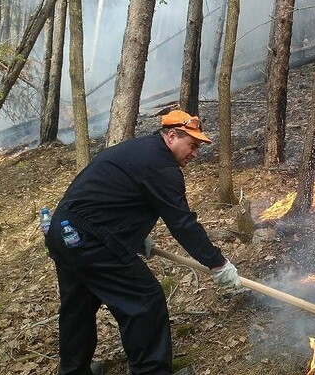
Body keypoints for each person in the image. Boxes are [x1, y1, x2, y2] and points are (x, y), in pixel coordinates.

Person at [44, 109, 241, 375]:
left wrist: (133, 237)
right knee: (145, 302)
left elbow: (112, 196)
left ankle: (74, 371)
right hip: (90, 241)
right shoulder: (162, 167)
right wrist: (217, 263)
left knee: (78, 307)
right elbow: (182, 223)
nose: (195, 154)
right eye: (192, 145)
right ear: (172, 136)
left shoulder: (142, 151)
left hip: (63, 231)